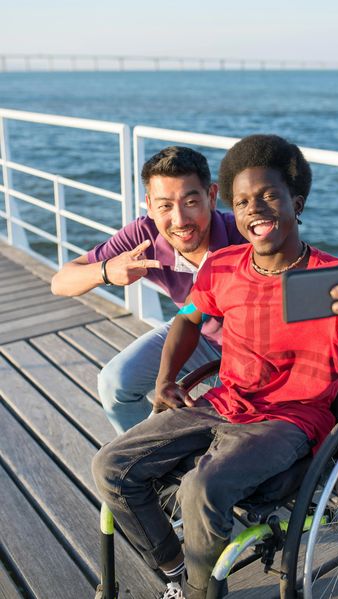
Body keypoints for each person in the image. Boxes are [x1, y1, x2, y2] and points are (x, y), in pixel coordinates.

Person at [92, 134, 338, 599]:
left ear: (297, 202)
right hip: (224, 400)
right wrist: (165, 378)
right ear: (230, 210)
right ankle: (178, 571)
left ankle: (199, 592)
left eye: (268, 195)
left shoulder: (327, 279)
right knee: (111, 465)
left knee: (201, 489)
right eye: (242, 201)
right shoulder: (222, 265)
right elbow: (188, 320)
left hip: (289, 418)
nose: (254, 207)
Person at [51, 146, 245, 434]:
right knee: (114, 384)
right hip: (196, 332)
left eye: (191, 201)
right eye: (165, 205)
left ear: (212, 196)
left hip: (252, 346)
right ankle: (151, 461)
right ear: (150, 205)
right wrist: (106, 271)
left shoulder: (242, 233)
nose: (179, 220)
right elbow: (60, 282)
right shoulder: (143, 235)